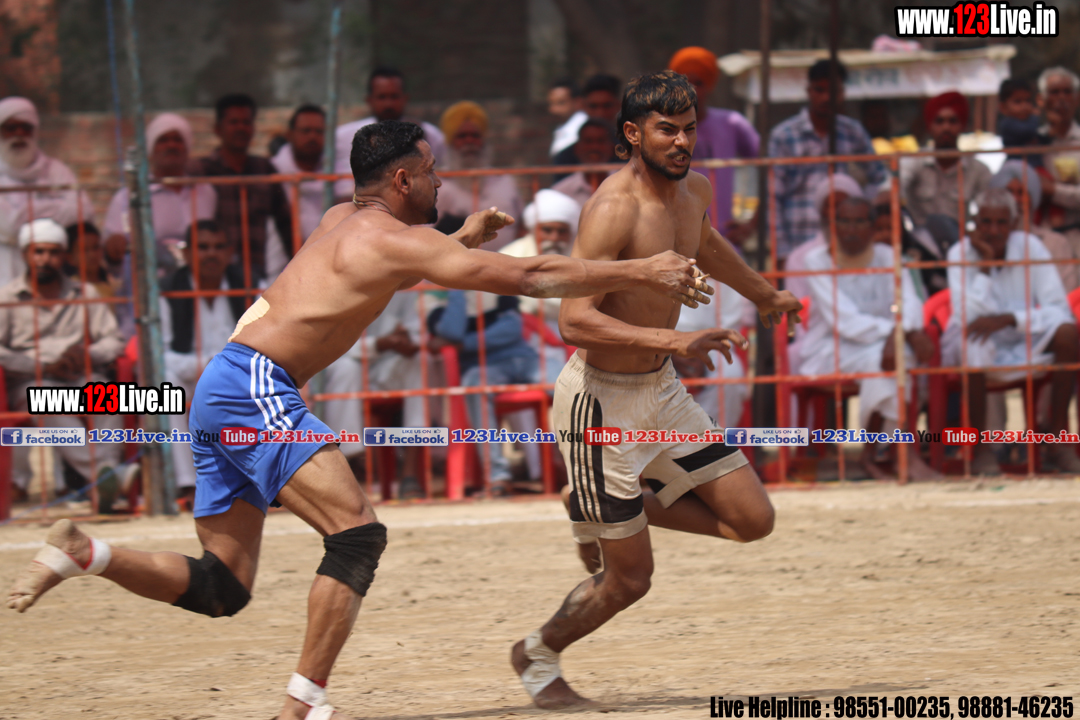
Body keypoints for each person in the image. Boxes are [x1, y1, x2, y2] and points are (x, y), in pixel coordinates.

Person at [6, 119, 710, 720]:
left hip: (225, 386)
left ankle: (85, 553)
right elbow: (527, 277)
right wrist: (641, 270)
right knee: (357, 535)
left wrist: (463, 236)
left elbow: (389, 268)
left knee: (221, 586)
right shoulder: (392, 238)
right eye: (430, 172)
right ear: (403, 180)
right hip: (256, 387)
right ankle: (304, 703)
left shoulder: (340, 221)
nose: (440, 182)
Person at [510, 70, 802, 710]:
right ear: (633, 133)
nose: (682, 141)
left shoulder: (696, 189)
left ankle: (597, 504)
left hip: (661, 391)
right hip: (598, 406)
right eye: (667, 130)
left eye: (689, 128)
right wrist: (676, 340)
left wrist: (764, 294)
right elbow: (572, 321)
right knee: (630, 581)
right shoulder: (612, 208)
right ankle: (536, 655)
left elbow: (706, 243)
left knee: (753, 521)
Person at [941, 188, 1080, 475]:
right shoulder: (960, 253)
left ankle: (1056, 442)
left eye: (1001, 222)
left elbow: (1059, 309)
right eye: (986, 222)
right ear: (974, 223)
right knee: (974, 345)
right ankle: (981, 449)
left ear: (1014, 224)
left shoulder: (1031, 247)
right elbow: (968, 318)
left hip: (1022, 335)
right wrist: (986, 265)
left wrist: (1011, 319)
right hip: (977, 342)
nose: (993, 230)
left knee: (1068, 334)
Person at [800, 197, 939, 480]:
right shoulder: (816, 260)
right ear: (833, 226)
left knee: (889, 358)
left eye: (859, 222)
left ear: (873, 227)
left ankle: (876, 454)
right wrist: (898, 333)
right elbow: (845, 321)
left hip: (882, 346)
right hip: (831, 349)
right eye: (844, 221)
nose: (851, 229)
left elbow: (910, 302)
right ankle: (898, 453)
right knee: (890, 358)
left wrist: (900, 333)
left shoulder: (888, 256)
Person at [0, 219, 129, 506]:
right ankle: (108, 477)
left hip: (79, 375)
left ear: (65, 256)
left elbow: (113, 340)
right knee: (47, 399)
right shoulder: (6, 298)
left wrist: (87, 354)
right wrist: (41, 366)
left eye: (53, 252)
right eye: (38, 251)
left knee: (107, 394)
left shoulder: (85, 293)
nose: (45, 259)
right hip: (32, 380)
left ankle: (104, 482)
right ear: (24, 254)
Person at [160, 221, 248, 504]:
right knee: (165, 386)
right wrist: (205, 365)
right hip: (189, 376)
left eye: (218, 247)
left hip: (237, 376)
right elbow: (158, 355)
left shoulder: (246, 286)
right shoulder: (167, 290)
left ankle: (260, 480)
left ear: (230, 253)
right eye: (203, 247)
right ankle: (188, 485)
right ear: (186, 254)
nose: (211, 254)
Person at [768, 60, 886, 260]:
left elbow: (880, 178)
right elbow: (772, 197)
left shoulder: (852, 132)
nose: (826, 97)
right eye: (819, 90)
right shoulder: (784, 135)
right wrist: (781, 249)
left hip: (844, 243)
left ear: (842, 93)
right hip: (798, 241)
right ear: (809, 91)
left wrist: (860, 205)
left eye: (832, 91)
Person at [429, 288, 538, 496]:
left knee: (570, 382)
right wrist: (457, 291)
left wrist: (464, 344)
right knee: (474, 385)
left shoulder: (495, 286)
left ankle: (587, 465)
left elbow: (511, 329)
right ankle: (498, 476)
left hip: (527, 360)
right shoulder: (431, 298)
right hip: (483, 369)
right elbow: (452, 332)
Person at [320, 290, 427, 499]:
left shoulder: (405, 288)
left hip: (387, 367)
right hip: (347, 368)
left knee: (418, 364)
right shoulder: (342, 288)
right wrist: (379, 344)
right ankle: (349, 465)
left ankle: (409, 473)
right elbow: (332, 345)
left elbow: (418, 333)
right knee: (346, 368)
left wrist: (409, 341)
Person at [189, 93, 294, 282]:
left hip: (253, 275)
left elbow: (287, 226)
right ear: (218, 129)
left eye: (246, 122)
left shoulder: (264, 169)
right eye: (234, 122)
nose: (241, 128)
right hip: (213, 277)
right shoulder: (201, 170)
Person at [104, 112, 218, 278]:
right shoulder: (129, 197)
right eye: (163, 140)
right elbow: (112, 257)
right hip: (151, 287)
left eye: (178, 140)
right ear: (151, 149)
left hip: (199, 287)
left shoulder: (206, 192)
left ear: (187, 147)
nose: (171, 145)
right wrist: (114, 247)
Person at [668, 46, 760, 246]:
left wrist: (752, 224)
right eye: (686, 82)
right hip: (671, 240)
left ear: (709, 86)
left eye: (699, 83)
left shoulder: (732, 124)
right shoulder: (661, 129)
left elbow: (771, 169)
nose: (692, 90)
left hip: (722, 240)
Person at [0, 97, 94, 286]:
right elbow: (10, 225)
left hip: (50, 269)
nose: (19, 134)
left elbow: (84, 209)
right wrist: (54, 211)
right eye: (11, 128)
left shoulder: (55, 170)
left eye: (26, 127)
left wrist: (25, 212)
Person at [334, 65, 446, 201]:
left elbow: (440, 178)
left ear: (405, 98)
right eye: (382, 97)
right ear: (369, 100)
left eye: (394, 97)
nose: (388, 104)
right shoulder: (343, 136)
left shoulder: (430, 134)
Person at [435, 101, 523, 250]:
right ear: (450, 141)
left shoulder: (504, 181)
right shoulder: (437, 183)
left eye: (475, 135)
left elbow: (522, 226)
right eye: (462, 136)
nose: (469, 141)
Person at [902, 91, 992, 229]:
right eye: (939, 121)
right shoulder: (915, 161)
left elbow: (991, 206)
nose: (946, 127)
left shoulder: (977, 169)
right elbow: (895, 188)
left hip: (959, 238)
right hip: (920, 238)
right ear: (929, 126)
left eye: (952, 121)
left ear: (962, 125)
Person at [989, 159, 1079, 293]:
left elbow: (1068, 294)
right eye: (1009, 192)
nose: (1015, 200)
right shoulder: (985, 245)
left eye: (1021, 192)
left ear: (1032, 198)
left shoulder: (1055, 243)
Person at [1037, 67, 1080, 264]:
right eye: (1054, 92)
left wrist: (1053, 191)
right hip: (1042, 242)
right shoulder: (1034, 142)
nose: (1061, 98)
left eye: (1067, 92)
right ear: (1042, 100)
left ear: (1077, 98)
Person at [271, 104, 327, 246]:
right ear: (289, 135)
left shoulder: (338, 172)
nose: (312, 136)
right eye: (306, 131)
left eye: (319, 131)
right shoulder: (273, 170)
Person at [551, 74, 623, 170]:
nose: (600, 113)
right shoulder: (565, 158)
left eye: (606, 106)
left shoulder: (632, 153)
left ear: (618, 106)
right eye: (593, 106)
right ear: (583, 106)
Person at [551, 119, 616, 207]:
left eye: (600, 141)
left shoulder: (629, 185)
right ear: (577, 148)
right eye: (588, 141)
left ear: (612, 147)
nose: (594, 147)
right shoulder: (560, 193)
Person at [996, 78, 1046, 167]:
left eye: (1028, 101)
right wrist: (1036, 116)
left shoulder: (1030, 121)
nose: (1024, 106)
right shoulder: (1007, 124)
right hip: (1017, 167)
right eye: (1018, 101)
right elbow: (1027, 131)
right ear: (1003, 107)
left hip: (1035, 166)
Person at [64, 222, 114, 301]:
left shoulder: (114, 285)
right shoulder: (70, 290)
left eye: (95, 247)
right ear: (70, 258)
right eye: (84, 250)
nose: (92, 255)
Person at [548, 76, 587, 159]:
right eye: (551, 103)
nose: (553, 109)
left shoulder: (583, 128)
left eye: (561, 103)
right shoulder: (562, 127)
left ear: (578, 102)